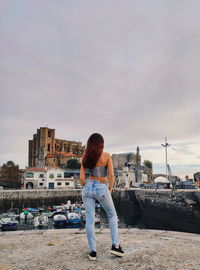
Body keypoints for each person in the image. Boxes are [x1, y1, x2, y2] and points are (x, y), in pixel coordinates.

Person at [80, 133, 124, 261]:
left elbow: (82, 178)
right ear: (101, 144)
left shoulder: (85, 157)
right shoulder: (106, 156)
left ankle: (92, 252)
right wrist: (109, 189)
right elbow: (111, 176)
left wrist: (86, 186)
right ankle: (115, 246)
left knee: (90, 220)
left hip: (88, 187)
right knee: (112, 215)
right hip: (101, 187)